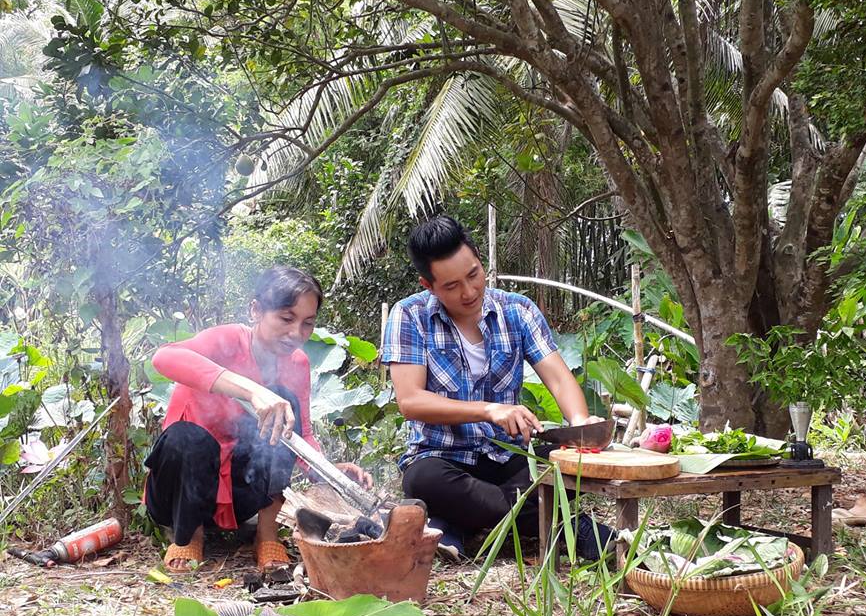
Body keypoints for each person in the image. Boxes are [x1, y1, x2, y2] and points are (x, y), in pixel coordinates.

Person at [382, 215, 613, 561]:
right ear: (428, 285)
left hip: (510, 456)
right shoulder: (409, 316)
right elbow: (411, 400)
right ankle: (567, 525)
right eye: (451, 286)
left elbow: (559, 377)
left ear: (480, 258)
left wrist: (580, 427)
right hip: (442, 459)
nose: (469, 292)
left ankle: (456, 522)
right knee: (422, 481)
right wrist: (489, 410)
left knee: (559, 465)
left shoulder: (517, 310)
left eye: (474, 274)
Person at [145, 266, 372, 573]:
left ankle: (267, 534)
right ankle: (188, 536)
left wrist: (331, 472)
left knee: (283, 404)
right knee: (188, 437)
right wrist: (252, 390)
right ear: (256, 310)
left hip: (240, 492)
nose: (296, 334)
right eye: (286, 318)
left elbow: (300, 435)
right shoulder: (225, 340)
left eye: (307, 324)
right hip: (179, 493)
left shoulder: (297, 364)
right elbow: (164, 358)